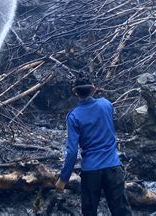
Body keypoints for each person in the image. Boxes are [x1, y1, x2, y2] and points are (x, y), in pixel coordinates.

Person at [55, 72, 132, 216]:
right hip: (113, 167)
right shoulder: (107, 105)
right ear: (94, 89)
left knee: (90, 212)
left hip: (91, 172)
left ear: (74, 93)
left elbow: (72, 152)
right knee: (122, 211)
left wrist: (63, 178)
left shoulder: (73, 116)